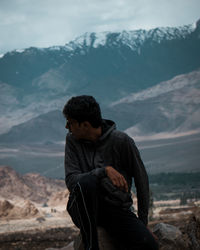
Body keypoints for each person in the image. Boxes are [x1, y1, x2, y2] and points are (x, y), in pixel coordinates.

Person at [63, 95, 158, 250]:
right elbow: (71, 181)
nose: (67, 127)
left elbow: (142, 181)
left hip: (115, 210)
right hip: (82, 209)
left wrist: (143, 222)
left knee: (149, 245)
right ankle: (91, 246)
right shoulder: (72, 140)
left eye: (71, 122)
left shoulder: (121, 141)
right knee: (87, 182)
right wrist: (103, 171)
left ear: (85, 124)